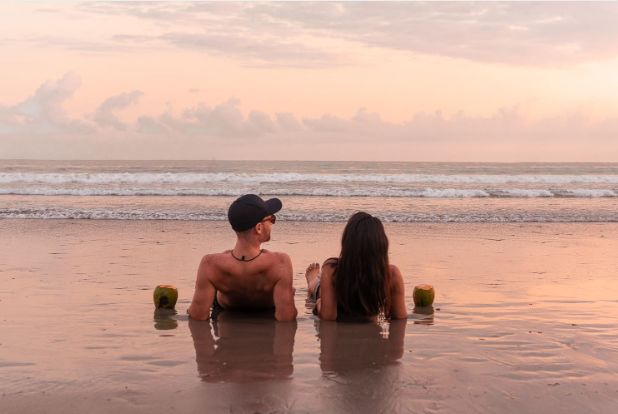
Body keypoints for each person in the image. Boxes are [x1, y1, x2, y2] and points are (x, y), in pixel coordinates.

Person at [188, 194, 297, 321]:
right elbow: (286, 317)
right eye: (271, 219)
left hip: (225, 307)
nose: (272, 224)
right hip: (266, 308)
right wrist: (289, 297)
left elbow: (198, 315)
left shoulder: (210, 264)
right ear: (259, 228)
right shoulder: (280, 263)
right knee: (289, 290)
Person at [305, 211, 407, 321]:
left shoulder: (332, 269)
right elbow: (399, 317)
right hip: (337, 294)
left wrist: (320, 303)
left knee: (321, 288)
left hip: (340, 286)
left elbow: (328, 316)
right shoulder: (391, 274)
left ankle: (316, 279)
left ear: (347, 243)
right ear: (382, 245)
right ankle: (313, 279)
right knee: (318, 287)